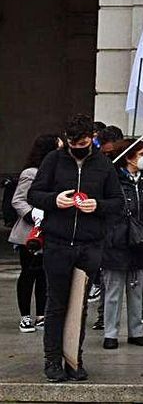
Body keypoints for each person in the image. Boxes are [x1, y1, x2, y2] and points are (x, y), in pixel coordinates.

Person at [27, 114, 123, 382]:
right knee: (56, 304)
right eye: (72, 141)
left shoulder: (103, 165)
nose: (76, 146)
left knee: (78, 306)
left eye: (81, 141)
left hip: (89, 245)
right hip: (58, 244)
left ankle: (74, 358)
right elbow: (33, 194)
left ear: (90, 139)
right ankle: (52, 360)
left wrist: (98, 206)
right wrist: (54, 200)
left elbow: (117, 202)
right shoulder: (53, 161)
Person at [99, 139, 143, 350]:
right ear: (128, 157)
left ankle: (136, 331)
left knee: (136, 288)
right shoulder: (112, 179)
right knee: (113, 290)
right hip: (116, 240)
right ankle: (110, 333)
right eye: (141, 154)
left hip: (139, 240)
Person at [9, 134, 59, 332]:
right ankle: (24, 316)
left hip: (49, 230)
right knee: (28, 274)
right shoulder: (31, 173)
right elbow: (18, 200)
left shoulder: (56, 171)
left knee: (44, 275)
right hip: (30, 232)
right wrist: (32, 214)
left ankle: (40, 314)